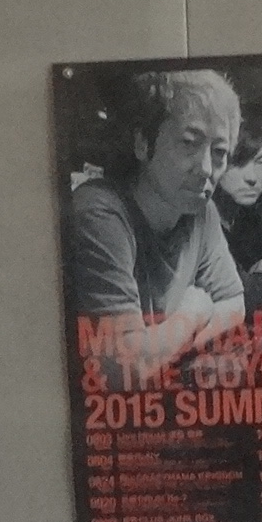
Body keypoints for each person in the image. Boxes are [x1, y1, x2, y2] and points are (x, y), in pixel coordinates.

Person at [61, 67, 247, 377]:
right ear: (142, 144)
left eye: (219, 152)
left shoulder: (203, 212)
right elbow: (124, 366)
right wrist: (192, 313)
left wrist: (165, 347)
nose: (206, 168)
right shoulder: (99, 211)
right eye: (189, 142)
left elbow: (234, 303)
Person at [214, 126, 262, 313]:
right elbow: (249, 300)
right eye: (238, 162)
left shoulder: (250, 216)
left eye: (260, 163)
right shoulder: (199, 218)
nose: (252, 178)